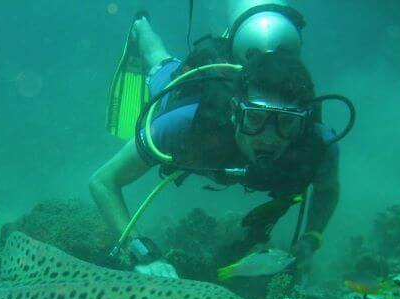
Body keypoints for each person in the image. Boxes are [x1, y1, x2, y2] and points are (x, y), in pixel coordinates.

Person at [90, 8, 346, 279]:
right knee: (158, 61)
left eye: (287, 122)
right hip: (182, 92)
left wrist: (312, 237)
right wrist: (138, 249)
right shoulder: (184, 124)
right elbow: (103, 181)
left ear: (304, 122)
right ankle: (141, 27)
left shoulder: (319, 145)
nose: (269, 137)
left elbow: (327, 190)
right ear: (235, 111)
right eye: (256, 117)